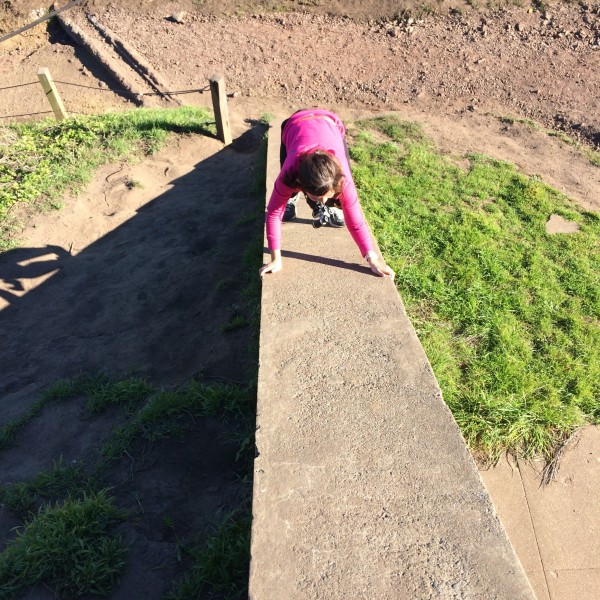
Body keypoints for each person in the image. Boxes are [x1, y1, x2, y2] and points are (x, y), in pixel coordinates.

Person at [258, 109, 395, 279]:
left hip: (331, 124)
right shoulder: (289, 174)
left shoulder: (343, 179)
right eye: (317, 197)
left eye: (328, 195)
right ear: (300, 183)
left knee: (342, 199)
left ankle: (334, 203)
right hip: (294, 125)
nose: (324, 200)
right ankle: (292, 197)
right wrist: (276, 259)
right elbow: (273, 214)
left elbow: (356, 221)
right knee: (286, 186)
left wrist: (372, 258)